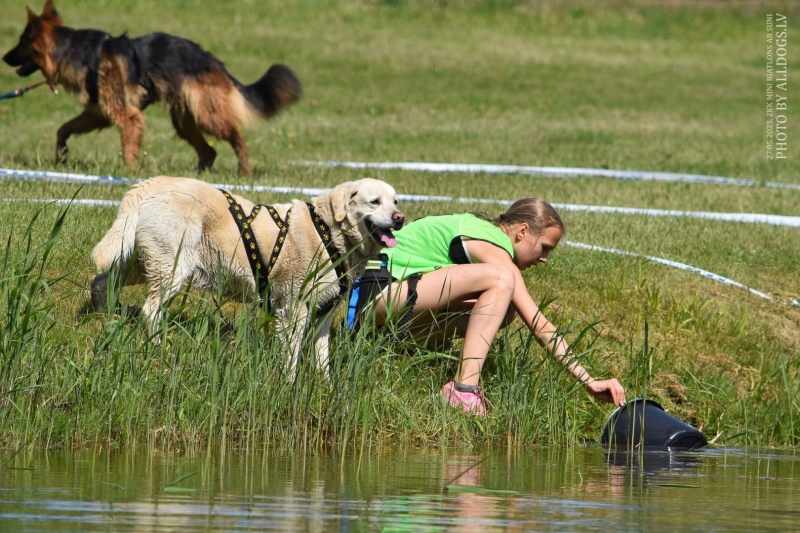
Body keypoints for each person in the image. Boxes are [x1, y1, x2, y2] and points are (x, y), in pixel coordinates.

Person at [346, 198, 626, 416]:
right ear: (523, 231)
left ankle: (391, 347)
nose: (545, 259)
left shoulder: (481, 232)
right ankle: (462, 389)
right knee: (502, 280)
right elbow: (538, 322)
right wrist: (587, 380)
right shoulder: (493, 244)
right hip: (375, 297)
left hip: (383, 305)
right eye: (544, 248)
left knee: (503, 308)